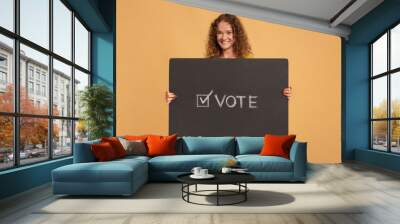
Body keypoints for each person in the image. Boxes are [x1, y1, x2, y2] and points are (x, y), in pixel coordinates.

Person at [166, 13, 292, 104]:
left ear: (236, 35)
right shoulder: (208, 64)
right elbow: (199, 96)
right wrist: (175, 97)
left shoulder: (247, 63)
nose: (223, 37)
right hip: (214, 124)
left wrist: (280, 92)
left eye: (228, 32)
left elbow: (258, 93)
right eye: (219, 33)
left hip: (242, 124)